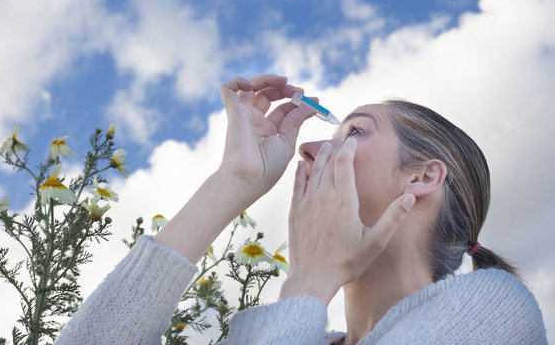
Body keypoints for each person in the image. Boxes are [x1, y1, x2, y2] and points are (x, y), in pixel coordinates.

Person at [55, 74, 547, 344]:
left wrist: (309, 282)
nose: (308, 151)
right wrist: (233, 181)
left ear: (421, 178)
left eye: (352, 133)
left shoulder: (497, 307)